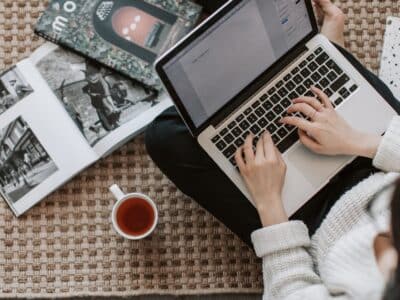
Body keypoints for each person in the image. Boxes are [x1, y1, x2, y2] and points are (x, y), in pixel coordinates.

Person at [145, 0, 400, 298]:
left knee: (166, 136)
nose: (377, 235)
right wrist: (356, 139)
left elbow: (291, 291)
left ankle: (313, 57)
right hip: (377, 160)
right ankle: (320, 57)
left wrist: (269, 203)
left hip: (306, 223)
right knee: (310, 53)